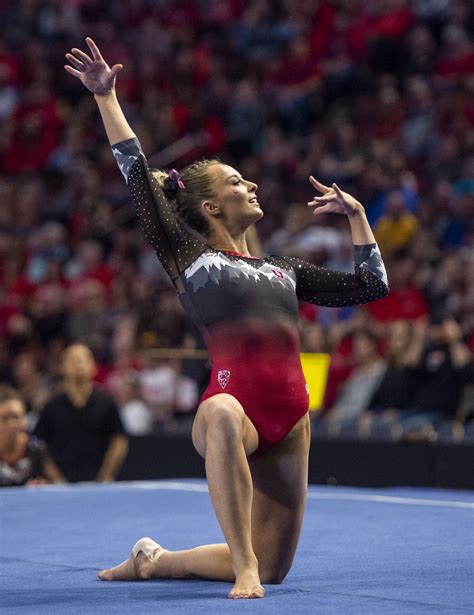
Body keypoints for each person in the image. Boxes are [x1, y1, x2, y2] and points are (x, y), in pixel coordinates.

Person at [64, 38, 389, 599]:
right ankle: (240, 567)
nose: (252, 185)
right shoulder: (190, 259)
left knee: (275, 569)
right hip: (231, 410)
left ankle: (154, 561)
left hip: (291, 419)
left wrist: (358, 218)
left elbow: (372, 285)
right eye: (238, 182)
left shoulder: (283, 268)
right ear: (211, 206)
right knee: (217, 415)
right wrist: (106, 97)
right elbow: (139, 176)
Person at [35, 343, 128, 483]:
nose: (79, 363)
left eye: (84, 359)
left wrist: (106, 475)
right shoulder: (52, 406)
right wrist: (55, 477)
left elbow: (119, 439)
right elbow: (37, 442)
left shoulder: (106, 403)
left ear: (94, 367)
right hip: (61, 484)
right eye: (72, 360)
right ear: (62, 368)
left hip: (98, 480)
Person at [0, 384, 59, 487]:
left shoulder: (36, 448)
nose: (12, 424)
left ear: (24, 419)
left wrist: (43, 484)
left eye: (16, 417)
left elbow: (55, 482)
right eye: (5, 418)